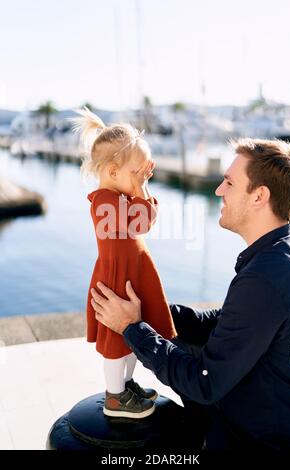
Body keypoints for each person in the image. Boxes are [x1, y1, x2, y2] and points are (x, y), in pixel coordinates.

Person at [90, 138, 290, 450]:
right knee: (173, 333)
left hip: (253, 437)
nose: (218, 190)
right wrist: (156, 309)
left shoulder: (264, 280)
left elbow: (204, 383)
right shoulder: (280, 256)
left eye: (228, 182)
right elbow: (228, 321)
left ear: (259, 196)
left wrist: (132, 329)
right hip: (274, 404)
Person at [70, 107, 177, 419]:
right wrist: (141, 190)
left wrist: (140, 186)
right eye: (138, 172)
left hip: (136, 272)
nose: (143, 178)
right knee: (118, 342)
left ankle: (127, 385)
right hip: (117, 278)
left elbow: (148, 220)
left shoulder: (125, 196)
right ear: (113, 171)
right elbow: (140, 223)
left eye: (146, 173)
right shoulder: (104, 200)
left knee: (132, 337)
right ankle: (115, 397)